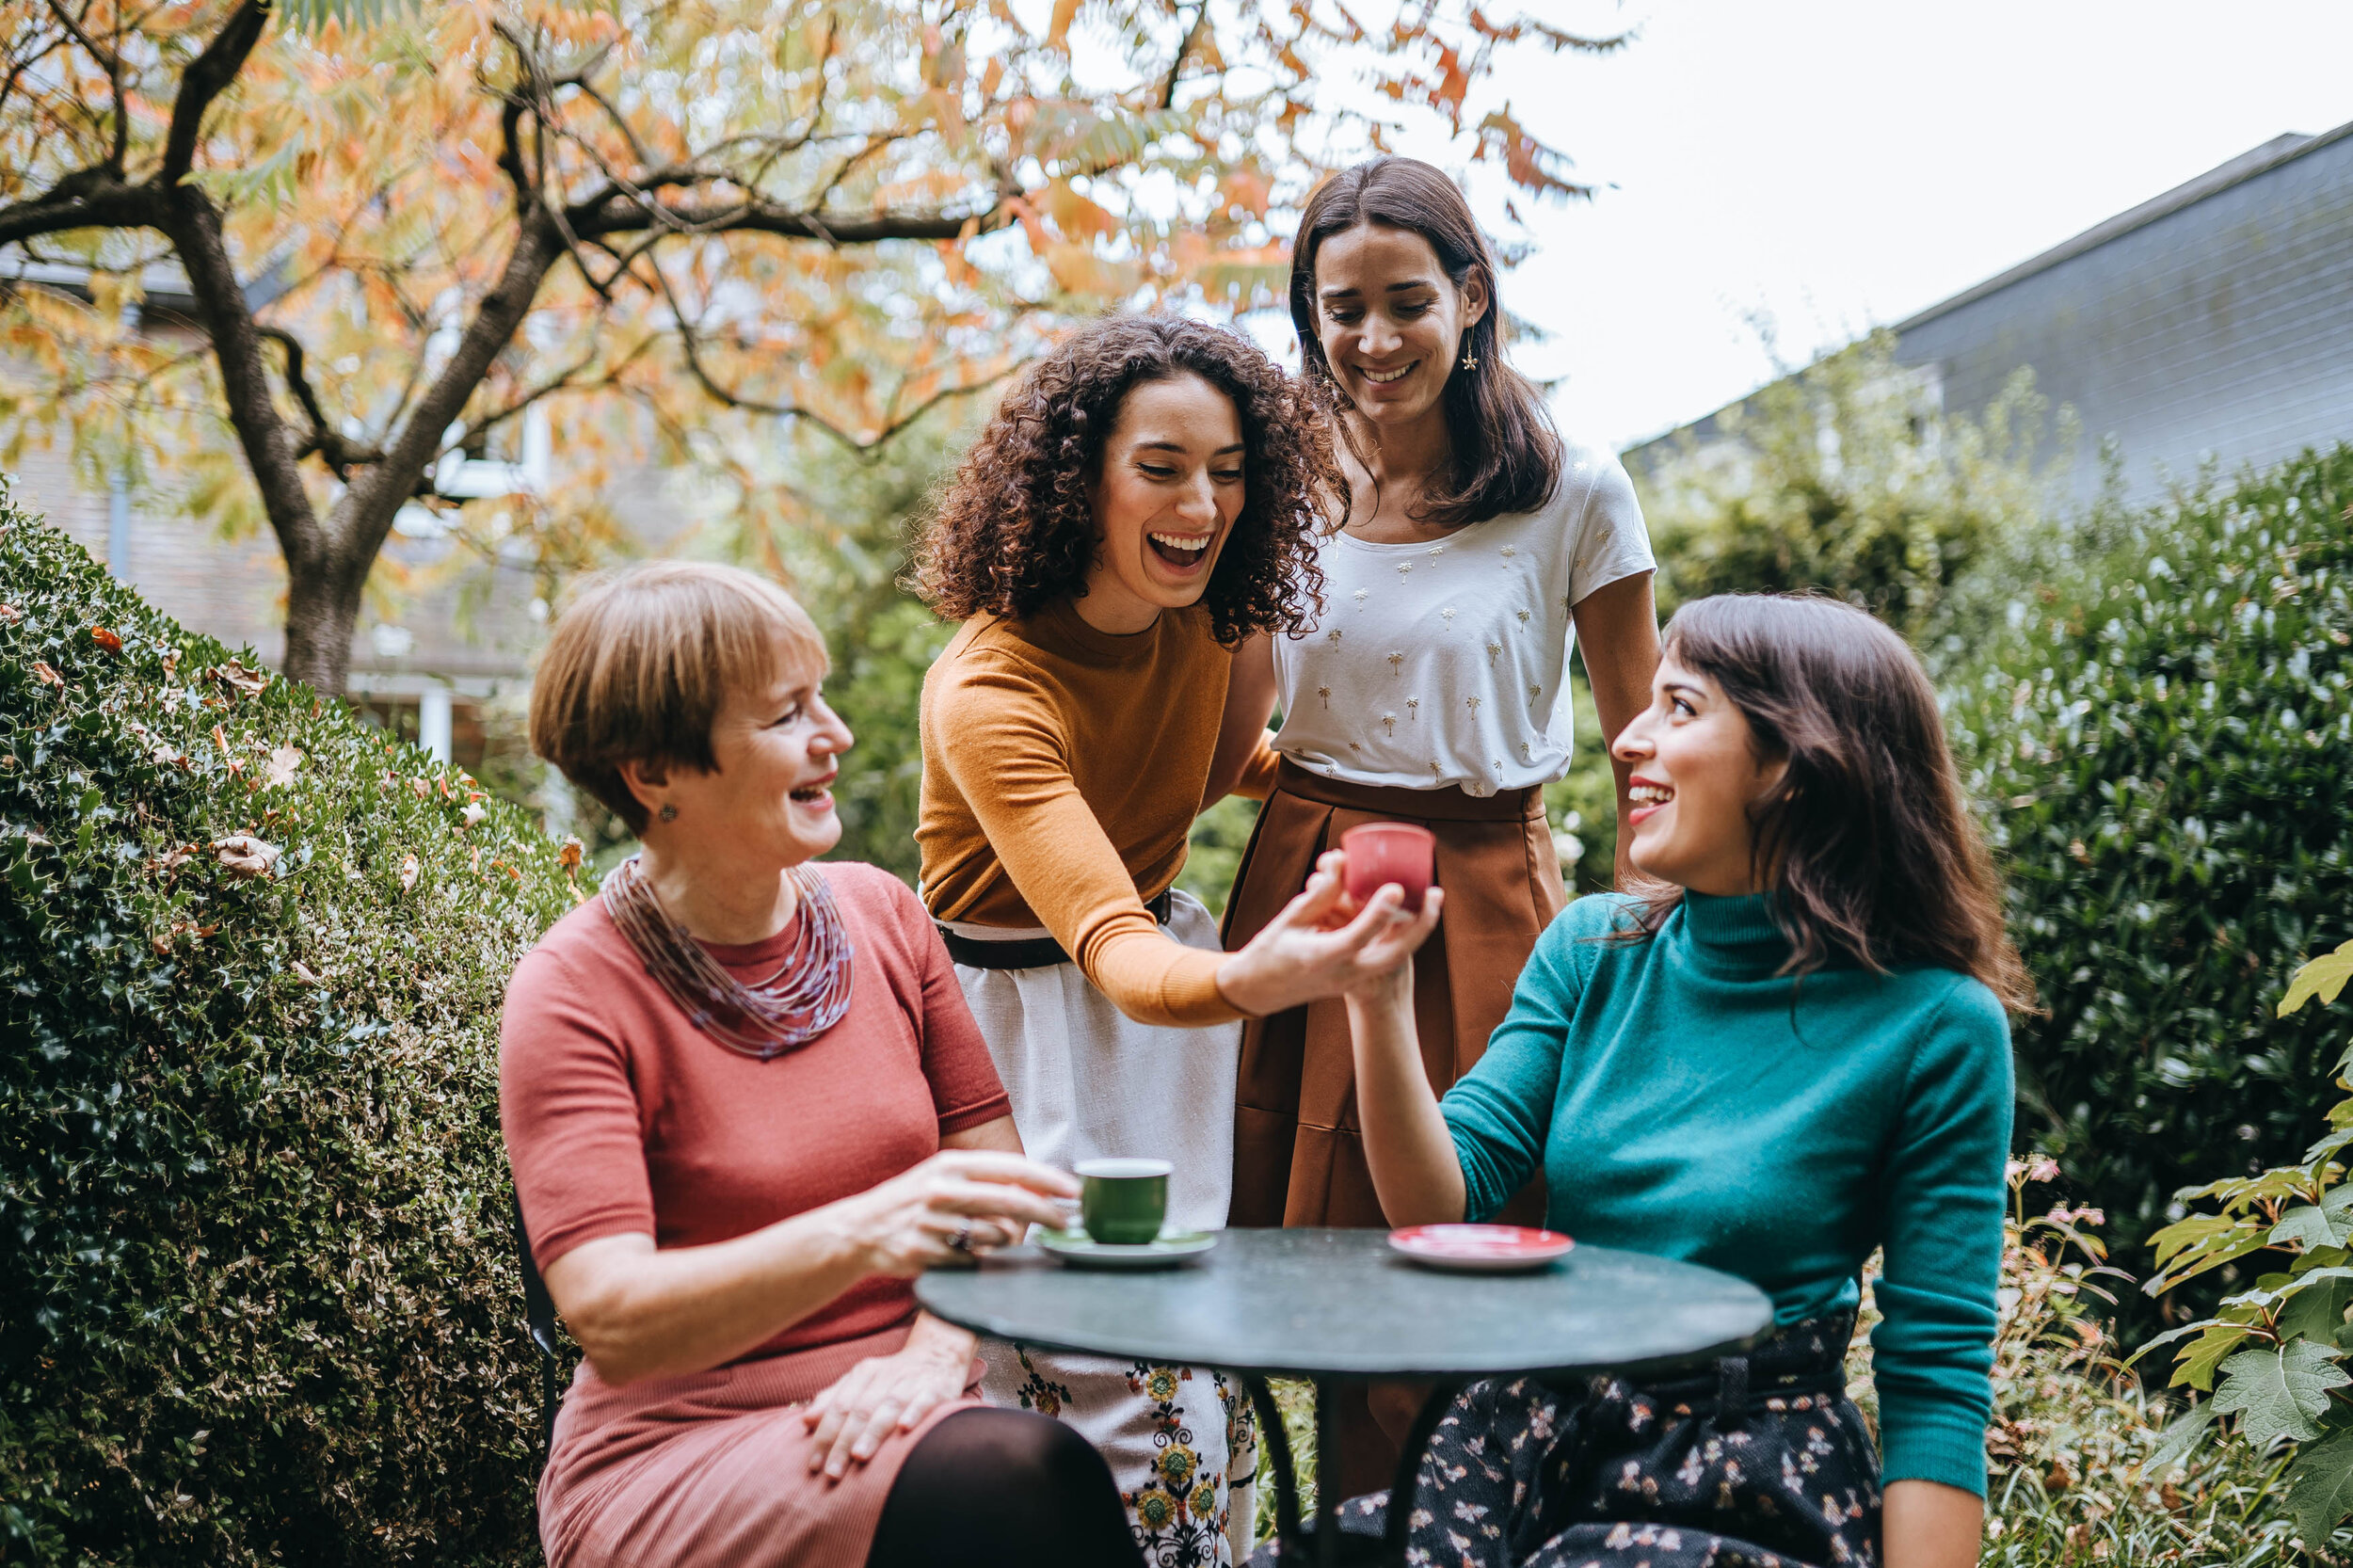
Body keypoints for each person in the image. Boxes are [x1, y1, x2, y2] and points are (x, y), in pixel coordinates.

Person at [1304, 592, 2025, 1568]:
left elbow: (1935, 1366)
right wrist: (1378, 1001)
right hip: (1531, 1438)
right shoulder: (1592, 950)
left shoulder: (1934, 1023)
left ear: (1795, 764)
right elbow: (1444, 1191)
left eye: (1679, 708)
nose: (1629, 738)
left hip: (1737, 1472)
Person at [912, 313, 1438, 1564]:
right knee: (1085, 1383)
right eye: (1161, 466)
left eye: (1229, 469)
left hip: (1178, 1005)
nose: (1200, 502)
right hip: (1023, 1038)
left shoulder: (1219, 619)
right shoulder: (992, 688)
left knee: (1204, 1369)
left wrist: (1420, 804)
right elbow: (1111, 947)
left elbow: (1211, 769)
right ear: (1075, 477)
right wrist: (1266, 973)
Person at [501, 561, 1147, 1568]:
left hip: (914, 1408)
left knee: (1023, 1471)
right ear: (653, 771)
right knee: (1019, 1484)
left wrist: (933, 1354)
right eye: (785, 714)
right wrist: (869, 1227)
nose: (834, 736)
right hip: (678, 1450)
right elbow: (612, 1317)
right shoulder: (574, 989)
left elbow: (996, 1192)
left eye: (823, 697)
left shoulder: (884, 916)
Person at [1210, 153, 1661, 1495]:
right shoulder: (1278, 482)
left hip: (1484, 892)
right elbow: (1235, 733)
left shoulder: (1574, 488)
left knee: (1468, 1254)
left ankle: (1452, 1518)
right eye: (1338, 308)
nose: (1370, 339)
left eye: (1405, 300)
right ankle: (1291, 1521)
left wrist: (1645, 943)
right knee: (1273, 1257)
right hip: (1307, 875)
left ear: (1471, 299)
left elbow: (1649, 745)